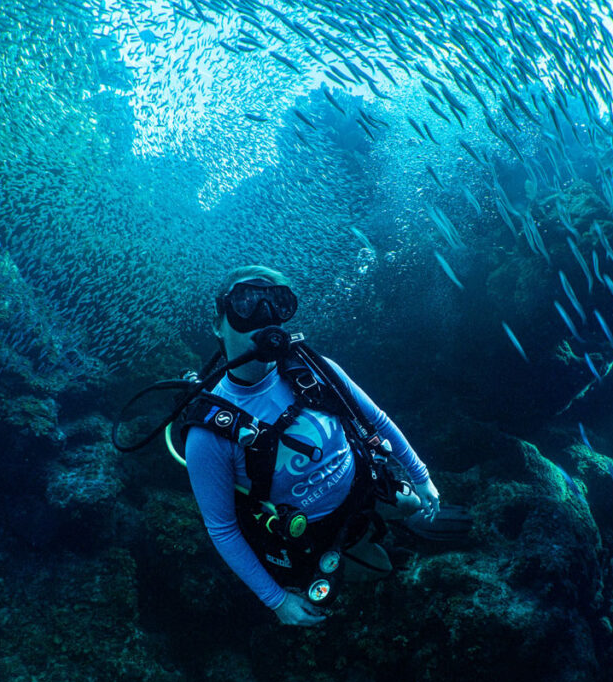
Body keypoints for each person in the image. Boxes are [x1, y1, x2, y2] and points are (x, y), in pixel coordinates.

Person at [184, 265, 443, 627]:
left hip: (366, 489)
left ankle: (406, 517)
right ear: (218, 323)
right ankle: (371, 550)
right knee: (380, 567)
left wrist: (420, 475)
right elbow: (222, 528)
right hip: (315, 536)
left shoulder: (317, 368)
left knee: (414, 505)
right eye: (245, 303)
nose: (264, 318)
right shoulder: (208, 435)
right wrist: (277, 602)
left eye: (278, 303)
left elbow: (377, 420)